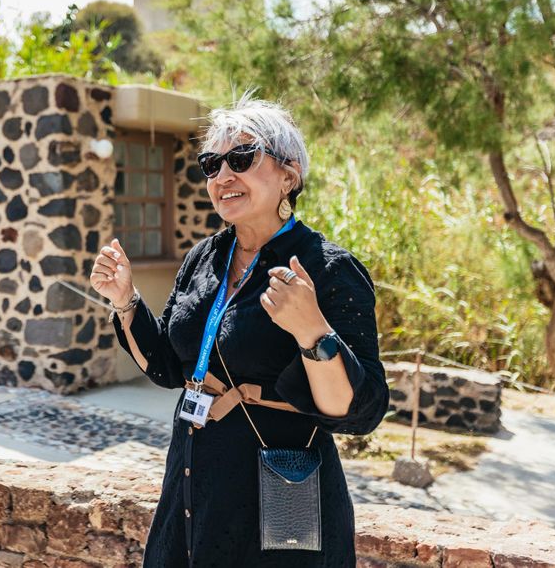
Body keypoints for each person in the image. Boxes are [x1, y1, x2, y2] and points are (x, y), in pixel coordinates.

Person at [90, 94, 389, 566]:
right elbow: (170, 368)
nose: (223, 176)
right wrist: (125, 300)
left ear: (289, 174)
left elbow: (358, 414)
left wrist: (313, 332)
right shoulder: (203, 258)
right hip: (192, 488)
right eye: (212, 164)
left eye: (242, 159)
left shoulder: (329, 269)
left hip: (275, 500)